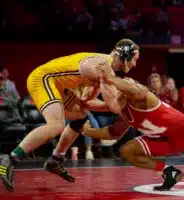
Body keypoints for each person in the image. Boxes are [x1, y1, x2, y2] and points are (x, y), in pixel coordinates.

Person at [0, 39, 140, 192]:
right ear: (126, 55)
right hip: (43, 78)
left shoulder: (104, 69)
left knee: (81, 116)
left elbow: (87, 102)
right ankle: (9, 159)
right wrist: (129, 97)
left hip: (59, 84)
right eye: (134, 59)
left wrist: (120, 98)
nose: (134, 64)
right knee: (56, 125)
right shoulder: (103, 68)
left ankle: (56, 159)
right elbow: (114, 106)